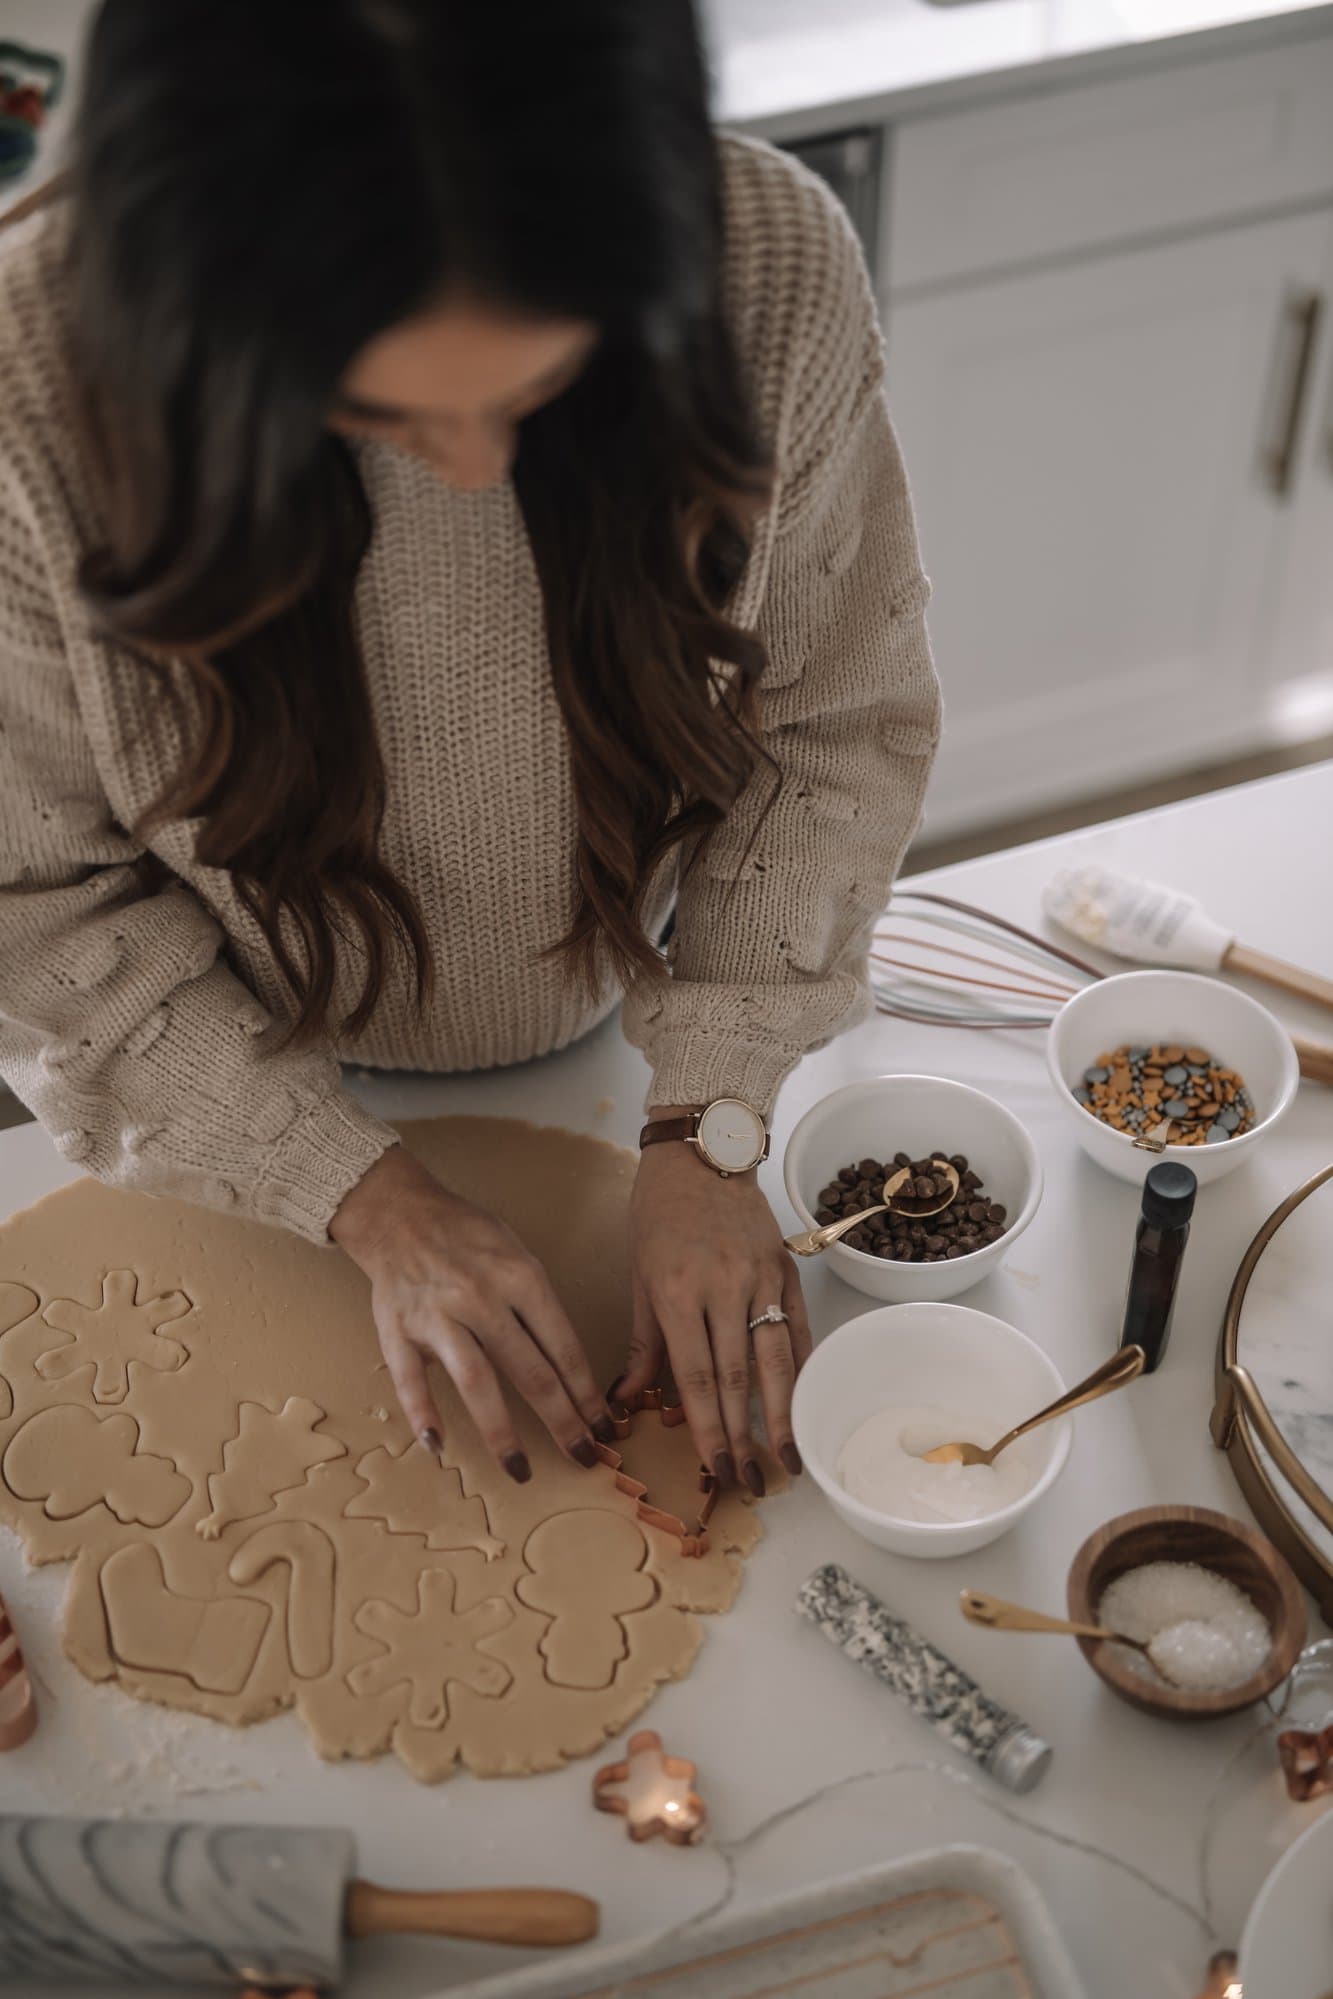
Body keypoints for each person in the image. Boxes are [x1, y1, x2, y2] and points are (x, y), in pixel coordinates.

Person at [0, 1, 940, 1500]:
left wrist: (715, 1117)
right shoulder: (28, 390)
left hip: (621, 1036)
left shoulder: (765, 274)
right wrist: (354, 1194)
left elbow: (828, 730)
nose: (471, 468)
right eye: (375, 412)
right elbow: (35, 908)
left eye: (539, 387)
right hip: (233, 1091)